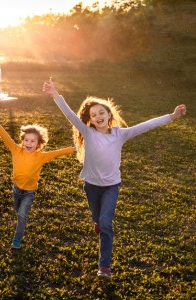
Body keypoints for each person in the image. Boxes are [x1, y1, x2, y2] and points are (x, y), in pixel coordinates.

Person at [43, 77, 187, 279]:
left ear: (109, 114)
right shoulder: (88, 132)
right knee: (97, 218)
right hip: (91, 186)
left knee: (106, 223)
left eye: (102, 112)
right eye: (94, 115)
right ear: (90, 120)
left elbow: (145, 125)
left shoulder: (120, 134)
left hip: (111, 186)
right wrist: (55, 94)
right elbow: (69, 115)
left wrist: (171, 116)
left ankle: (104, 267)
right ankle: (98, 222)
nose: (98, 116)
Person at [0, 114, 74, 250]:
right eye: (26, 140)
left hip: (30, 191)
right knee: (18, 211)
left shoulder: (40, 156)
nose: (29, 144)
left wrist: (73, 149)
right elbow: (6, 138)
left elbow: (57, 153)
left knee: (22, 214)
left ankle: (17, 238)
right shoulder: (16, 150)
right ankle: (20, 221)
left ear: (39, 144)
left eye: (32, 141)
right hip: (17, 189)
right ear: (23, 141)